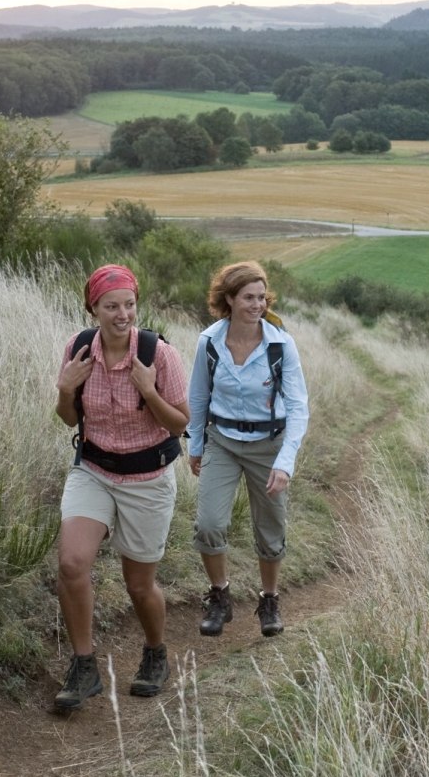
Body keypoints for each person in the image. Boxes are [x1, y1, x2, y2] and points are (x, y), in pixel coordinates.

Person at [51, 264, 190, 712]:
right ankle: (84, 665)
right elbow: (70, 420)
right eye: (111, 306)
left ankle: (155, 653)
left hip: (148, 479)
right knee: (72, 564)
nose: (122, 314)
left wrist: (149, 393)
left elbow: (182, 422)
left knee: (139, 585)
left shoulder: (157, 354)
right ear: (93, 308)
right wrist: (65, 391)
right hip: (93, 470)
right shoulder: (78, 350)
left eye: (129, 305)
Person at [187, 261, 309, 638]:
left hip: (269, 444)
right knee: (209, 524)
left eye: (261, 297)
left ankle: (269, 600)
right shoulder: (209, 342)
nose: (257, 305)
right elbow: (198, 395)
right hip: (221, 441)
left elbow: (299, 407)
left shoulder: (280, 345)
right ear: (229, 299)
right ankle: (220, 596)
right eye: (248, 297)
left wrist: (285, 462)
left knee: (270, 528)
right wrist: (195, 443)